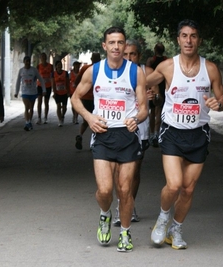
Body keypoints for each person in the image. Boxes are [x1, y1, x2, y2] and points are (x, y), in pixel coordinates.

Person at [147, 19, 223, 250]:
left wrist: (218, 104)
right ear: (178, 40)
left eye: (193, 36)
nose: (189, 40)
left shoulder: (210, 68)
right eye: (184, 35)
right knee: (173, 185)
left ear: (199, 40)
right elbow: (142, 83)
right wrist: (145, 95)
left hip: (199, 134)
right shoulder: (167, 67)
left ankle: (176, 229)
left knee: (188, 188)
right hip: (172, 131)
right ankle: (162, 220)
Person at [71, 27, 148, 252]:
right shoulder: (93, 71)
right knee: (105, 190)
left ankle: (125, 232)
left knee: (124, 190)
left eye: (120, 42)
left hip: (127, 136)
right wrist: (88, 116)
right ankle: (105, 215)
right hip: (103, 135)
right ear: (104, 46)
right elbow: (75, 98)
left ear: (125, 46)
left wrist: (136, 118)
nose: (116, 46)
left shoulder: (136, 72)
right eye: (111, 42)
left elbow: (144, 108)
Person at [112, 39, 155, 226]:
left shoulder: (147, 73)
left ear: (139, 56)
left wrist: (153, 97)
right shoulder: (113, 71)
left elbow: (160, 96)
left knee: (134, 171)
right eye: (126, 53)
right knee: (117, 171)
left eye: (133, 54)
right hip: (116, 127)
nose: (129, 57)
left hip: (140, 129)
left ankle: (130, 205)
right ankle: (121, 204)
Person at [74, 52, 101, 150]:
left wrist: (80, 90)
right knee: (97, 120)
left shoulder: (85, 68)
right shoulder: (102, 69)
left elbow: (76, 81)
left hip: (86, 98)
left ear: (91, 59)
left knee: (86, 120)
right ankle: (93, 142)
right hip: (96, 99)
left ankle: (80, 135)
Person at [15, 56, 46, 131]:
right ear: (24, 62)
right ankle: (27, 122)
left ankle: (29, 122)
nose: (28, 62)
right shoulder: (21, 71)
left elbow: (41, 79)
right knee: (27, 107)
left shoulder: (34, 70)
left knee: (31, 108)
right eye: (26, 61)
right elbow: (18, 82)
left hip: (33, 92)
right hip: (25, 92)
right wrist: (16, 92)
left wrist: (44, 90)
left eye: (29, 61)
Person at [146, 43, 167, 147]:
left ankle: (151, 134)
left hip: (152, 86)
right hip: (162, 87)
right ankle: (156, 134)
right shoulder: (166, 61)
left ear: (155, 49)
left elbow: (147, 73)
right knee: (158, 111)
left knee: (152, 112)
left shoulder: (151, 60)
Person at [36, 52, 54, 124]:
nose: (43, 58)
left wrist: (52, 86)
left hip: (48, 86)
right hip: (40, 85)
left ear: (46, 58)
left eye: (44, 57)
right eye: (42, 57)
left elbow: (52, 76)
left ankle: (45, 117)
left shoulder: (50, 66)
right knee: (39, 102)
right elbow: (36, 75)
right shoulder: (38, 66)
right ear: (40, 58)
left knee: (46, 102)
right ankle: (39, 117)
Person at [52, 60, 70, 127]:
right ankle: (60, 120)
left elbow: (68, 83)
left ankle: (62, 115)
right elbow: (53, 83)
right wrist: (54, 92)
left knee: (64, 108)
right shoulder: (53, 74)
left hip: (65, 92)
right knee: (58, 106)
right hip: (57, 93)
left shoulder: (65, 73)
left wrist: (68, 92)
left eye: (60, 65)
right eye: (58, 65)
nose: (59, 66)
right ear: (56, 66)